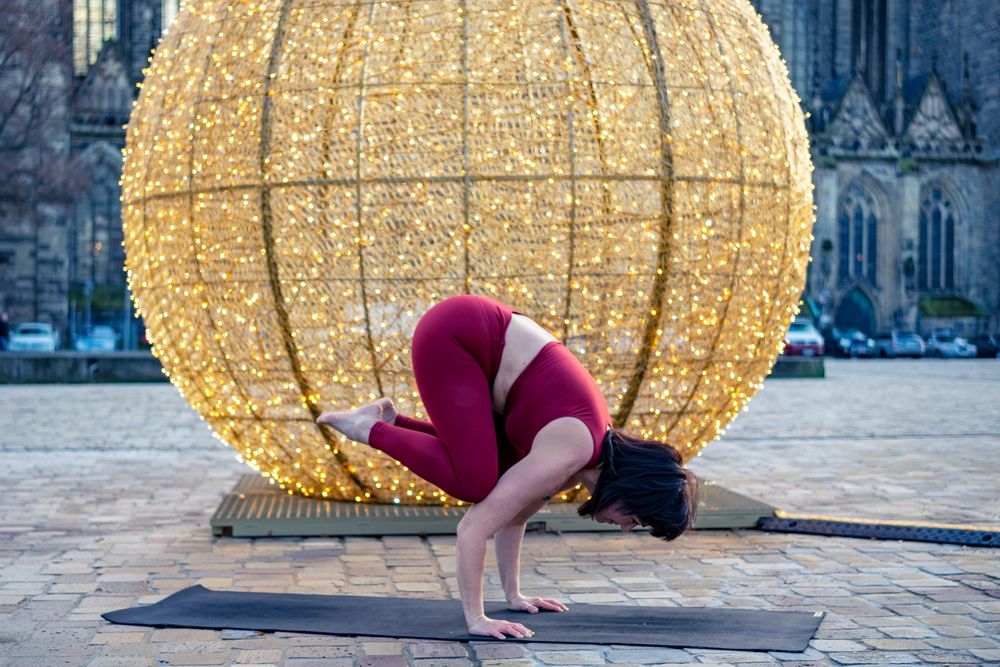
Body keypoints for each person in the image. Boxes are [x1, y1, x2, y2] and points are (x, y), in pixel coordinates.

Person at [317, 294, 697, 639]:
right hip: (457, 335)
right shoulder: (573, 449)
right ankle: (369, 428)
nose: (627, 528)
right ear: (630, 488)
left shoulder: (577, 462)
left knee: (489, 474)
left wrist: (514, 595)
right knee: (475, 482)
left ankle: (389, 420)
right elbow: (474, 527)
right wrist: (477, 619)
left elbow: (513, 517)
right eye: (637, 517)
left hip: (480, 344)